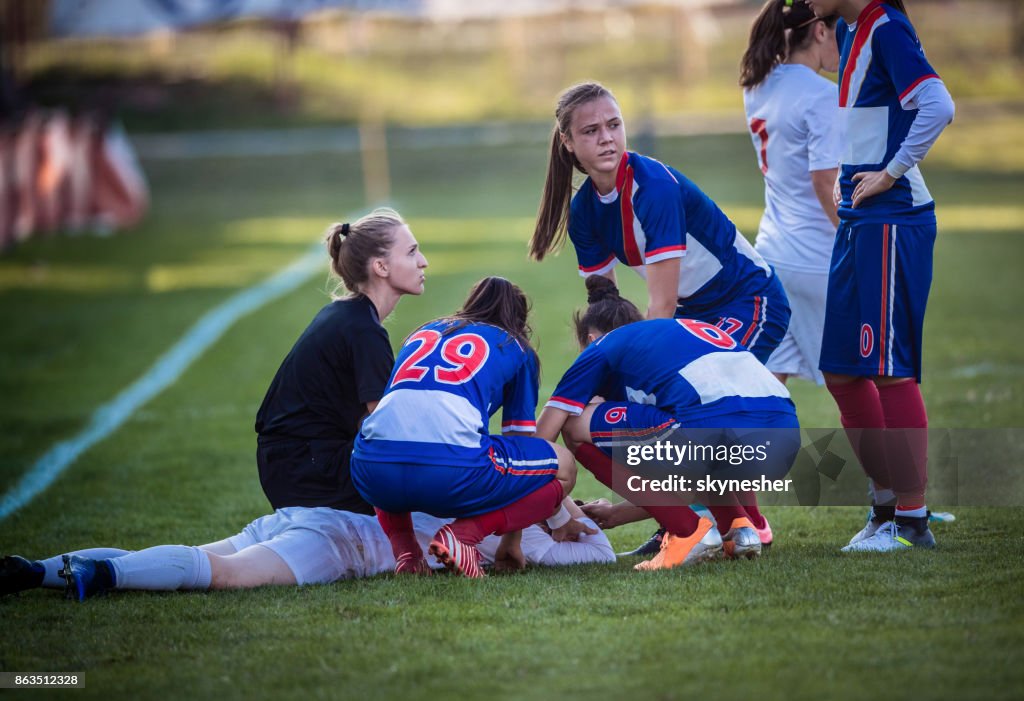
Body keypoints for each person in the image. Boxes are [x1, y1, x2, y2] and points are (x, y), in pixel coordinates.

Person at [2, 207, 428, 598]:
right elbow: (382, 433)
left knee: (202, 551)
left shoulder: (347, 316)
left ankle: (36, 570)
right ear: (381, 266)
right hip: (311, 467)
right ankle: (99, 576)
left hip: (294, 461)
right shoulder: (364, 331)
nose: (423, 261)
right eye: (412, 251)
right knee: (424, 496)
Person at [805, 0, 955, 552]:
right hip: (859, 221)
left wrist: (892, 173)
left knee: (890, 371)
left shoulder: (888, 27)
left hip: (893, 220)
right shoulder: (849, 29)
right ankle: (885, 509)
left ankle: (912, 523)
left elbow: (937, 105)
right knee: (843, 372)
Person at [535, 276, 801, 571]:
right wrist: (616, 513)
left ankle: (686, 532)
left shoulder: (601, 349)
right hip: (785, 441)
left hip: (712, 437)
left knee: (575, 425)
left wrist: (549, 513)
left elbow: (543, 439)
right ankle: (737, 528)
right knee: (697, 442)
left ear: (590, 339)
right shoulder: (677, 336)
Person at [530, 81, 791, 365]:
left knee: (706, 384)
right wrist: (598, 371)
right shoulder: (583, 212)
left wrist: (640, 364)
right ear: (567, 142)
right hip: (690, 312)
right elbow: (604, 307)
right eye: (591, 131)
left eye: (614, 125)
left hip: (747, 299)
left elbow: (662, 305)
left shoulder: (654, 189)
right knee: (654, 396)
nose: (606, 138)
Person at [351, 277, 587, 579]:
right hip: (449, 474)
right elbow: (520, 439)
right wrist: (512, 540)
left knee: (391, 442)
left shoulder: (423, 333)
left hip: (370, 472)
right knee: (563, 465)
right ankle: (463, 536)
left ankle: (407, 553)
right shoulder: (514, 346)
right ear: (520, 319)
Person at [0, 498, 614, 600]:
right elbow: (602, 554)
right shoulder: (543, 532)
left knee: (188, 552)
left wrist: (562, 508)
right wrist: (573, 515)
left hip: (311, 515)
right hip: (334, 539)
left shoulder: (489, 479)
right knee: (220, 575)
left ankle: (40, 571)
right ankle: (98, 574)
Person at [740, 0, 841, 386]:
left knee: (767, 383)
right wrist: (855, 238)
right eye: (839, 32)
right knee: (860, 382)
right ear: (819, 31)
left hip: (772, 254)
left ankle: (747, 449)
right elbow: (823, 181)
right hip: (817, 258)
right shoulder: (821, 95)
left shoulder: (757, 85)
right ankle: (893, 451)